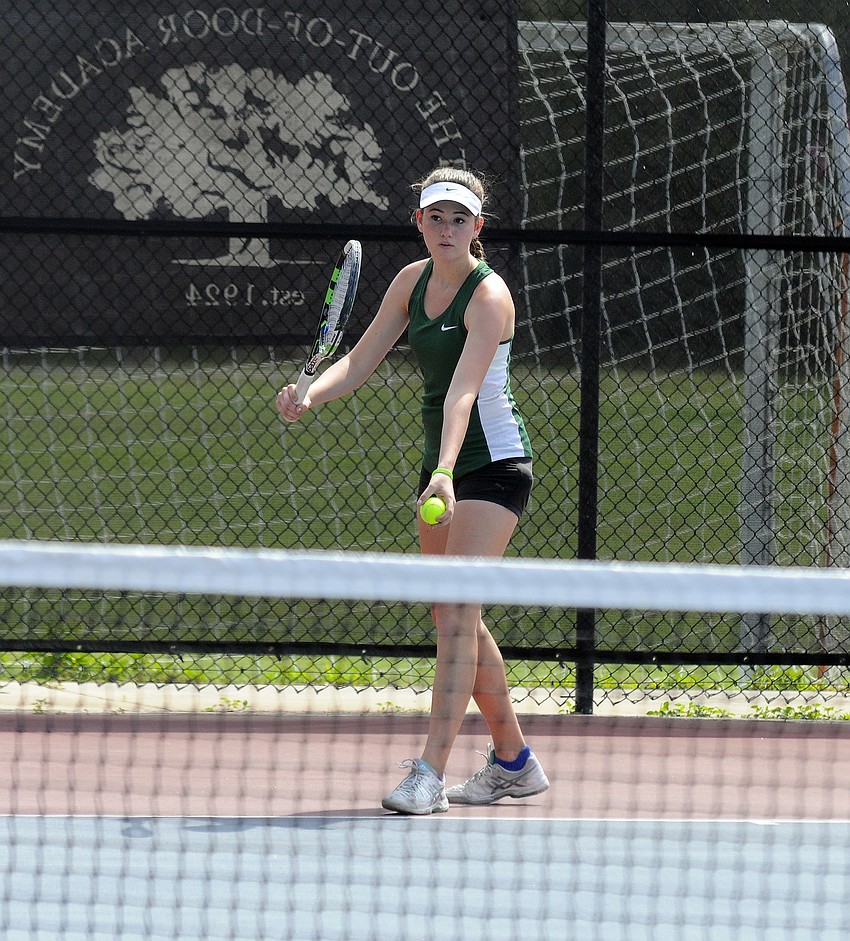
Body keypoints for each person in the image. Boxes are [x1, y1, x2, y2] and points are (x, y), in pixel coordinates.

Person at [276, 167, 549, 814]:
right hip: (442, 469)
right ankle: (514, 761)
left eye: (460, 218)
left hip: (492, 466)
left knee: (456, 613)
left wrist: (447, 470)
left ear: (478, 228)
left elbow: (463, 392)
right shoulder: (410, 281)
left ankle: (430, 772)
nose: (447, 228)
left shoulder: (489, 297)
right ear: (419, 223)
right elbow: (362, 358)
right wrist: (311, 392)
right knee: (452, 616)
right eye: (436, 217)